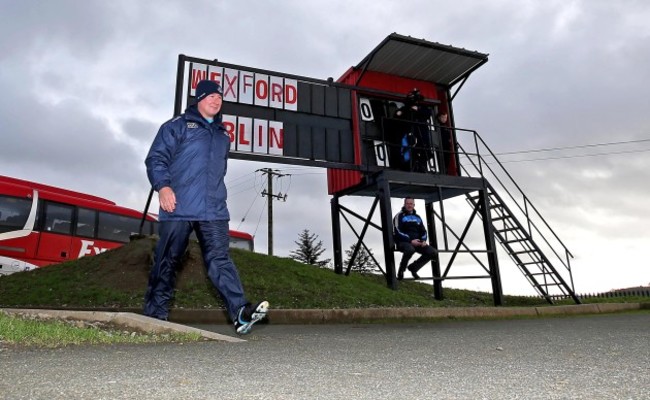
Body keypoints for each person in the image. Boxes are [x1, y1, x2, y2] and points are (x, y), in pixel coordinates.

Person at [144, 79, 268, 335]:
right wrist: (163, 186)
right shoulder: (176, 126)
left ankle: (241, 312)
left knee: (220, 261)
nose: (216, 100)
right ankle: (155, 317)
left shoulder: (223, 135)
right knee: (167, 261)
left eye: (219, 97)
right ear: (199, 99)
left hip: (213, 211)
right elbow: (156, 158)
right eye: (210, 96)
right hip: (179, 206)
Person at [393, 197, 436, 280]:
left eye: (411, 203)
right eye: (407, 203)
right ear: (404, 204)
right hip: (403, 241)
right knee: (410, 249)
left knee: (433, 252)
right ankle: (401, 270)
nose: (409, 205)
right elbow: (397, 231)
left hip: (417, 242)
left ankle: (413, 268)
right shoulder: (399, 216)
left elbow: (423, 231)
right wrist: (410, 241)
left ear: (414, 205)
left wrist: (423, 241)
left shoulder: (418, 217)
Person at [393, 88, 433, 173]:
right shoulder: (405, 108)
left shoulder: (423, 108)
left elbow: (428, 114)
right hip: (408, 133)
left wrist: (418, 109)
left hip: (420, 134)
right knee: (408, 150)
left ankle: (422, 168)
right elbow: (397, 115)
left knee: (422, 151)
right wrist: (398, 113)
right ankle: (407, 167)